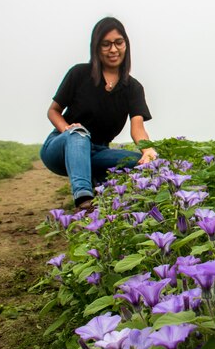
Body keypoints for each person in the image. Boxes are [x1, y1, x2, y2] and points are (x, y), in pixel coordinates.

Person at [40, 17, 157, 211]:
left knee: (139, 161)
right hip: (61, 147)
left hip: (97, 152)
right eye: (106, 44)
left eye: (119, 42)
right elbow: (53, 111)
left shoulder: (133, 88)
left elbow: (138, 128)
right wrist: (67, 130)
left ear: (126, 45)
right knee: (79, 134)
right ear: (96, 47)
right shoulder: (79, 74)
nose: (113, 49)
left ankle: (108, 190)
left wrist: (147, 150)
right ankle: (84, 200)